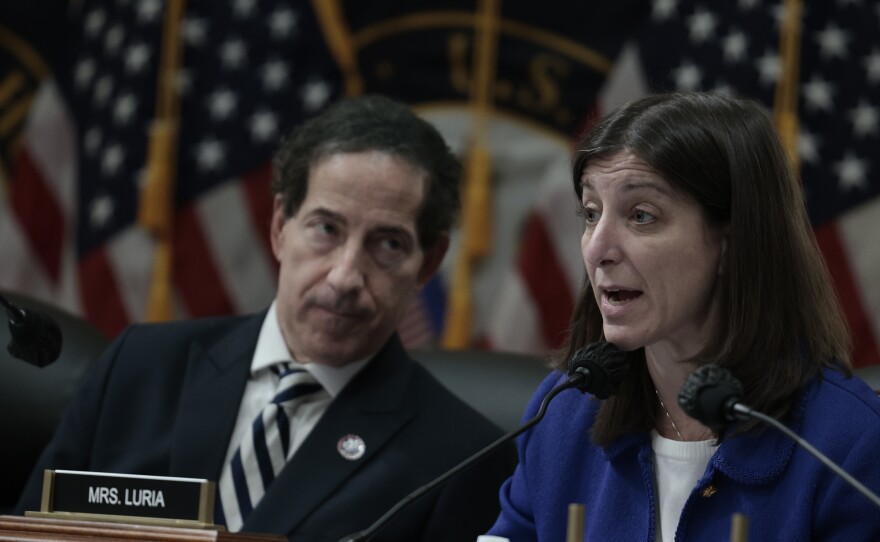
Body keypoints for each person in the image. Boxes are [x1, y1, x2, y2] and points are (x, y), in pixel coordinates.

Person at [16, 95, 516, 542]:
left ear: (427, 265)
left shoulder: (459, 459)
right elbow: (31, 534)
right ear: (281, 227)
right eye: (326, 228)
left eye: (388, 244)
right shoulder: (139, 368)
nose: (345, 276)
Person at [484, 92, 880, 541]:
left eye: (641, 216)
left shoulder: (850, 445)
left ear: (731, 243)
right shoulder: (564, 412)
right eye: (591, 213)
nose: (596, 248)